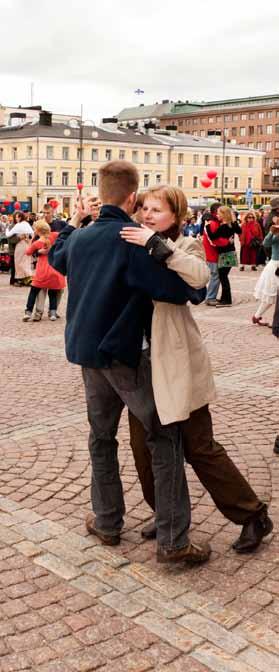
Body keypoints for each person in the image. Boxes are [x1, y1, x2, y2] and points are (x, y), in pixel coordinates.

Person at [49, 160, 211, 565]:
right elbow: (181, 291)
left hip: (87, 356)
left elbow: (57, 256)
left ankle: (107, 521)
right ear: (133, 197)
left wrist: (74, 220)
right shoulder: (130, 239)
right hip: (124, 355)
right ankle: (173, 541)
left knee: (101, 438)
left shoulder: (81, 238)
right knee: (165, 438)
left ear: (100, 193)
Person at [120, 186, 273, 554]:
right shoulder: (130, 242)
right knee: (143, 448)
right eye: (145, 208)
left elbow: (199, 277)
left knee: (199, 447)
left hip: (178, 362)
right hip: (140, 364)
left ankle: (253, 515)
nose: (148, 214)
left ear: (176, 215)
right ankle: (167, 514)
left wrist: (157, 245)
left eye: (157, 209)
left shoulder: (182, 245)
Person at [23, 221, 65, 322]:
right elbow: (64, 236)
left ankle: (28, 312)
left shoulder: (37, 243)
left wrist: (31, 240)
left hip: (42, 271)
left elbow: (28, 252)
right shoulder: (55, 235)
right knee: (53, 292)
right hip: (55, 269)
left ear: (37, 231)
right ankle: (53, 312)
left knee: (33, 291)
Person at [207, 206, 241, 307]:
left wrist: (207, 226)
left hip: (225, 255)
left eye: (218, 213)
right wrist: (234, 221)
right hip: (231, 254)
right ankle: (225, 299)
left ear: (223, 214)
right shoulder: (231, 225)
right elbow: (239, 231)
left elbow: (212, 237)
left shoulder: (223, 227)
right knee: (223, 276)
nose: (217, 215)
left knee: (223, 277)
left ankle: (226, 300)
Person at [252, 221, 279, 327]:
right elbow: (266, 243)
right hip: (275, 266)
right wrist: (271, 232)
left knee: (272, 295)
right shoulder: (276, 233)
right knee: (271, 294)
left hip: (275, 265)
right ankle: (258, 316)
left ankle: (257, 316)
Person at [202, 202, 223, 306]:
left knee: (214, 275)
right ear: (216, 212)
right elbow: (213, 241)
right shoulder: (212, 223)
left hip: (212, 254)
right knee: (215, 275)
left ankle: (210, 296)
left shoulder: (215, 222)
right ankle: (210, 297)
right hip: (212, 254)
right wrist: (226, 242)